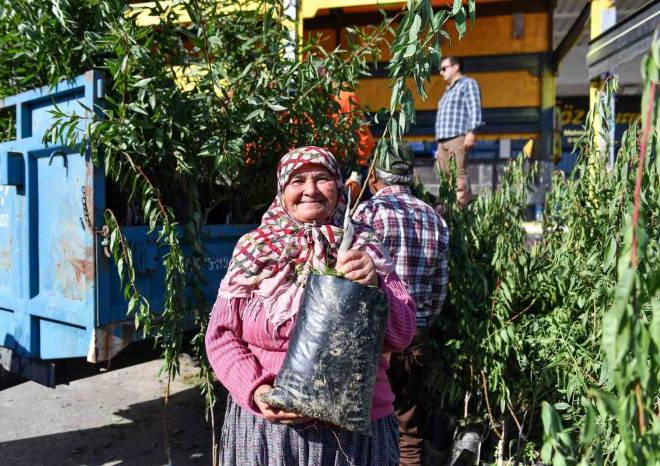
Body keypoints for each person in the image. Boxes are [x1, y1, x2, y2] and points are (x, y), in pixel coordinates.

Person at [205, 146, 416, 466]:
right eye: (297, 180)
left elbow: (402, 335)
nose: (310, 190)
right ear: (281, 190)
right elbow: (220, 336)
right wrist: (256, 391)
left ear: (339, 185)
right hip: (267, 432)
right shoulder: (254, 249)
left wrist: (375, 286)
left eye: (322, 179)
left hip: (356, 436)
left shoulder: (363, 246)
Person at [353, 144, 450, 466]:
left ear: (374, 180)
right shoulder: (433, 218)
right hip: (415, 339)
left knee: (363, 422)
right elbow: (439, 288)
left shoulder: (365, 214)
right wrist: (419, 324)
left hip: (374, 339)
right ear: (411, 177)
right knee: (408, 424)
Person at [435, 56, 483, 208]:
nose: (441, 72)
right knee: (444, 176)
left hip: (458, 136)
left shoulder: (468, 84)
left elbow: (475, 108)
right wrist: (438, 145)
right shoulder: (448, 91)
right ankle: (447, 209)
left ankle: (463, 208)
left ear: (456, 67)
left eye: (444, 68)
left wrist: (472, 131)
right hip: (442, 140)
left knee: (458, 175)